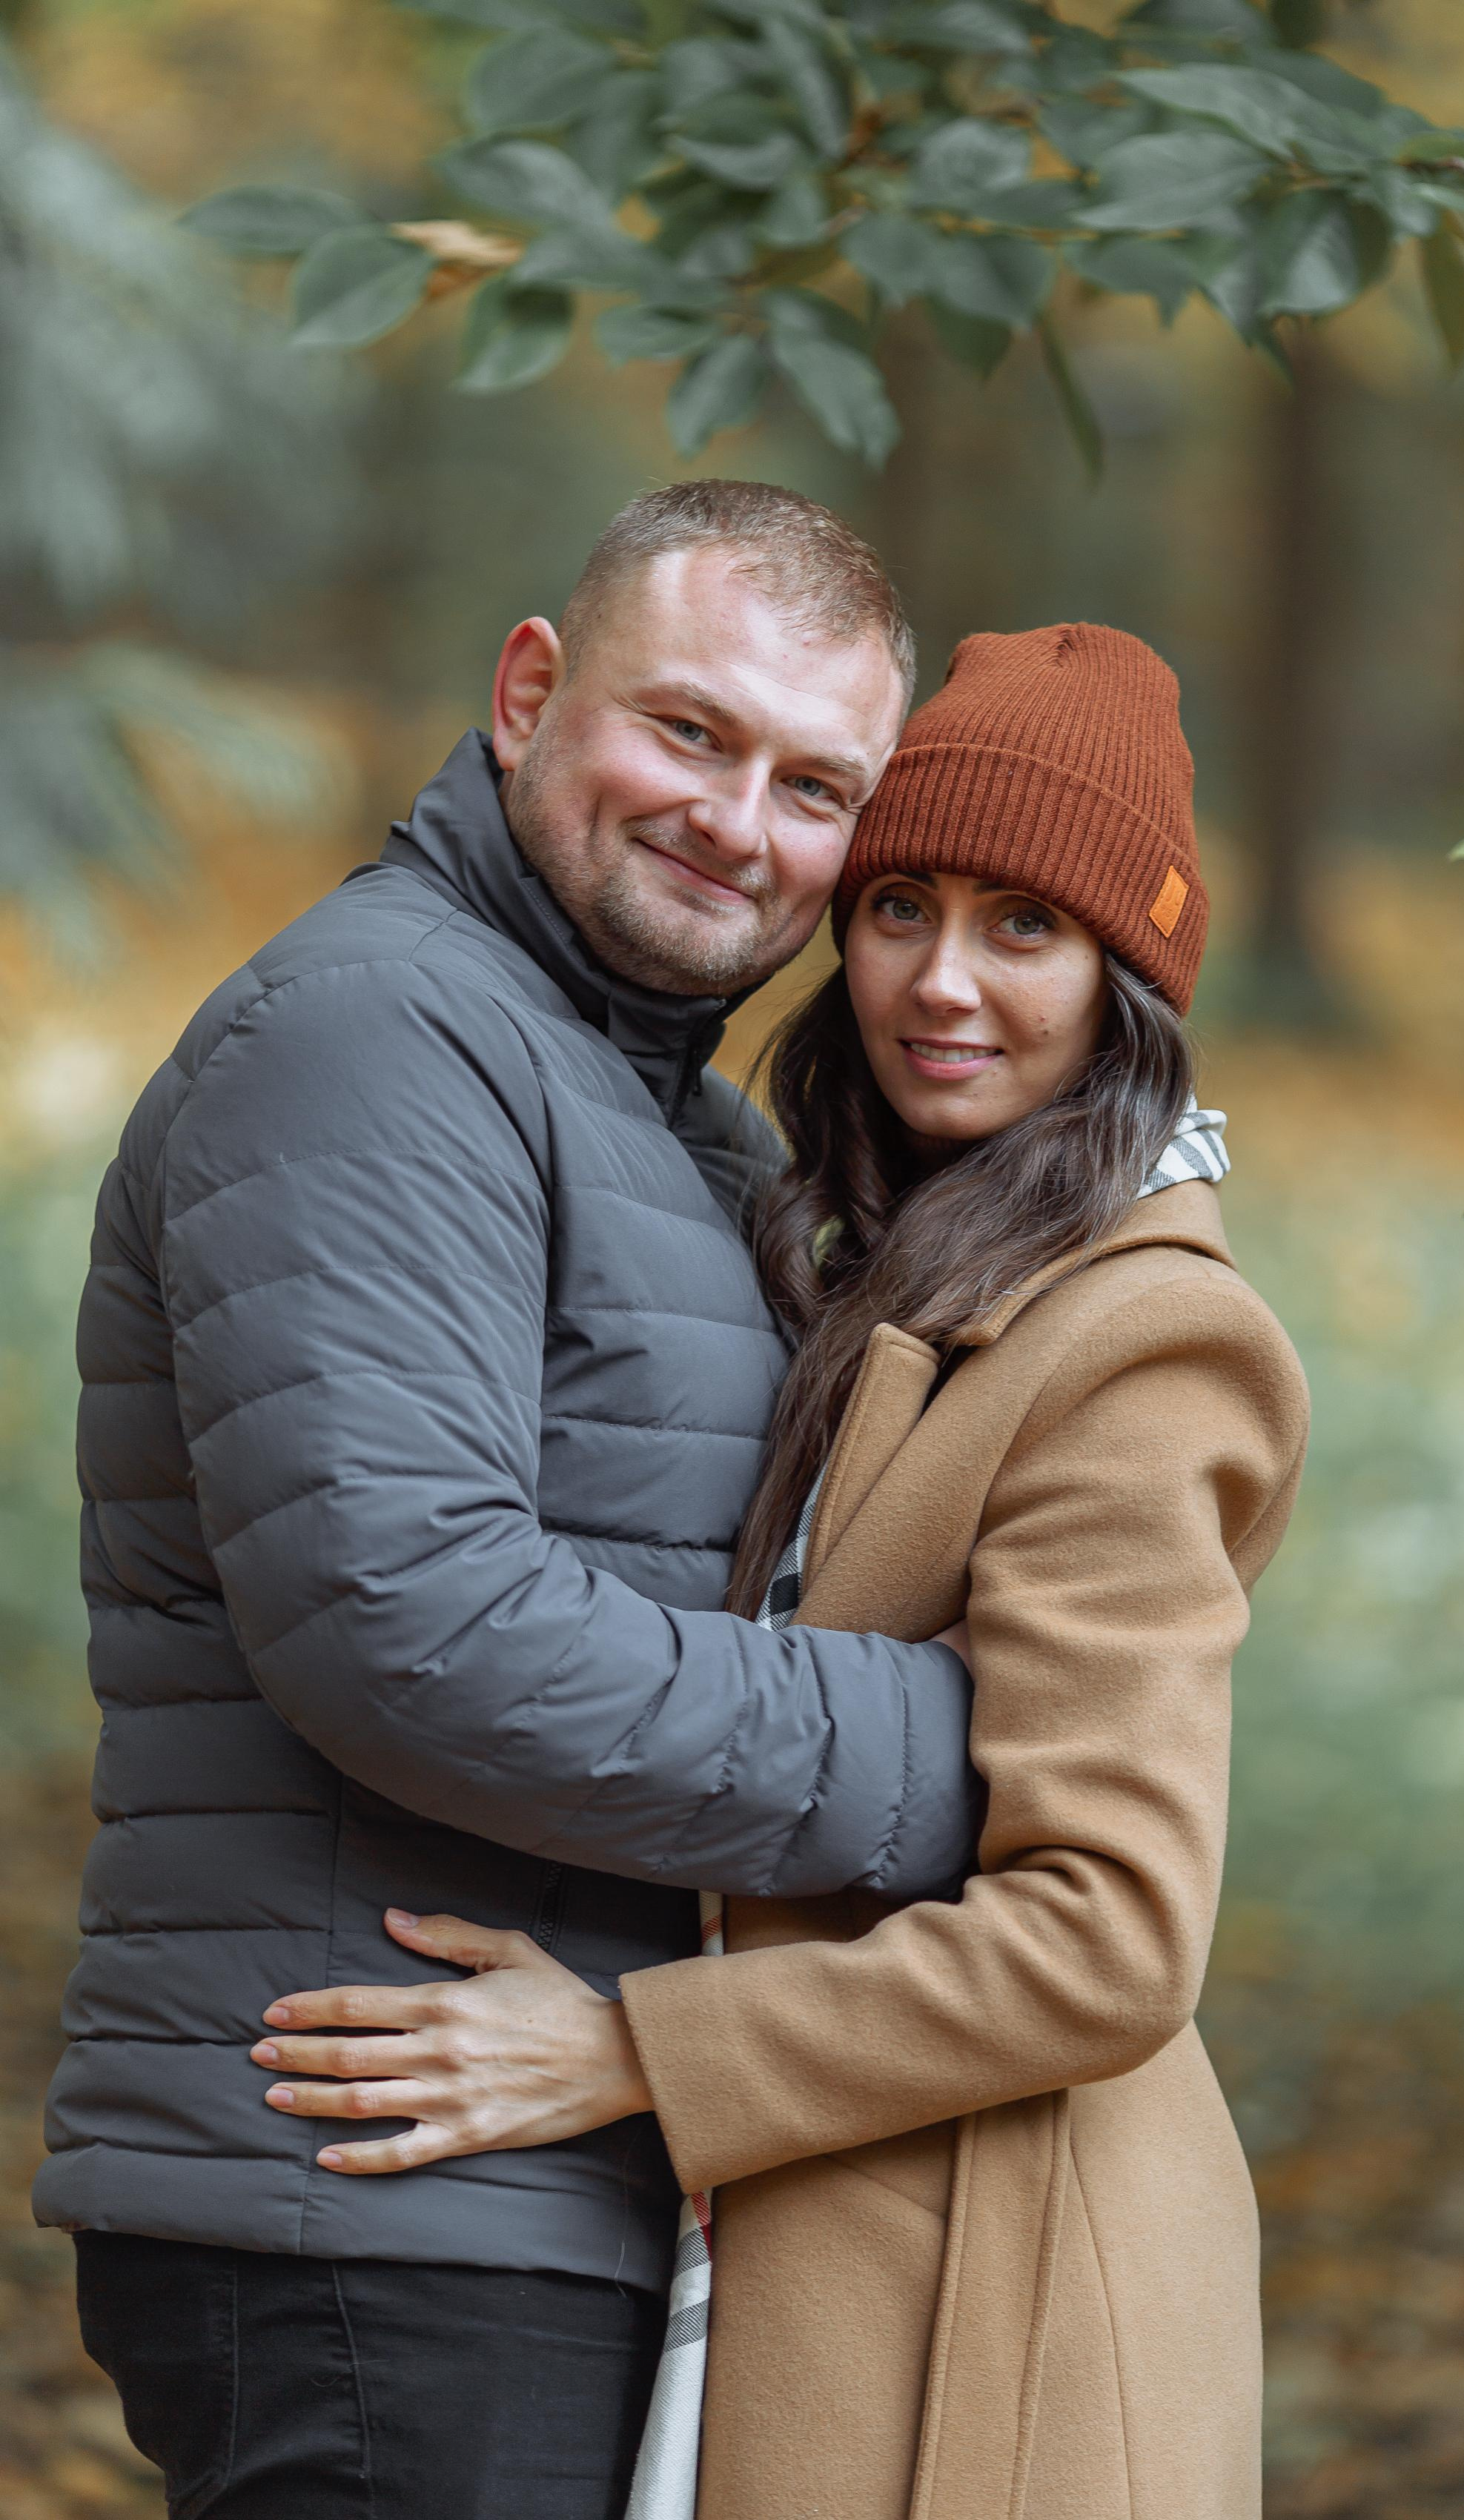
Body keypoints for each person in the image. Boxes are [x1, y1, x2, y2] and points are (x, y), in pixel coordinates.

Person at [247, 623, 1312, 2520]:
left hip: (1007, 2289)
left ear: (1127, 978)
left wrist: (631, 2051)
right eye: (900, 901)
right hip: (835, 2237)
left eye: (1026, 928)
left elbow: (1113, 1935)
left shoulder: (1143, 1341)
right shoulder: (888, 1253)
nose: (942, 979)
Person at [37, 482, 987, 2520]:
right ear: (527, 692)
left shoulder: (687, 1128)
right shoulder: (381, 1036)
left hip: (533, 2173)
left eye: (817, 789)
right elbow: (410, 1620)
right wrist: (969, 1745)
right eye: (690, 734)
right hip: (376, 2181)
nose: (740, 826)